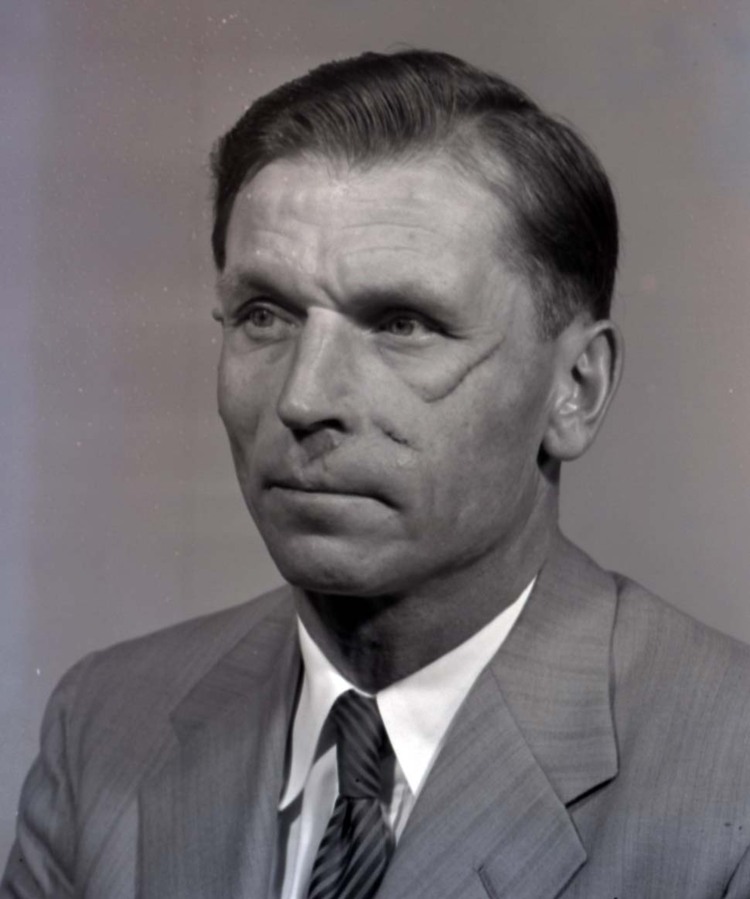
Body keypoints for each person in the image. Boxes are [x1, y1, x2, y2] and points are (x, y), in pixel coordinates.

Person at [3, 49, 750, 899]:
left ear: (574, 389)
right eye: (264, 315)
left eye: (402, 324)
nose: (304, 398)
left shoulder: (731, 776)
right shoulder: (105, 726)